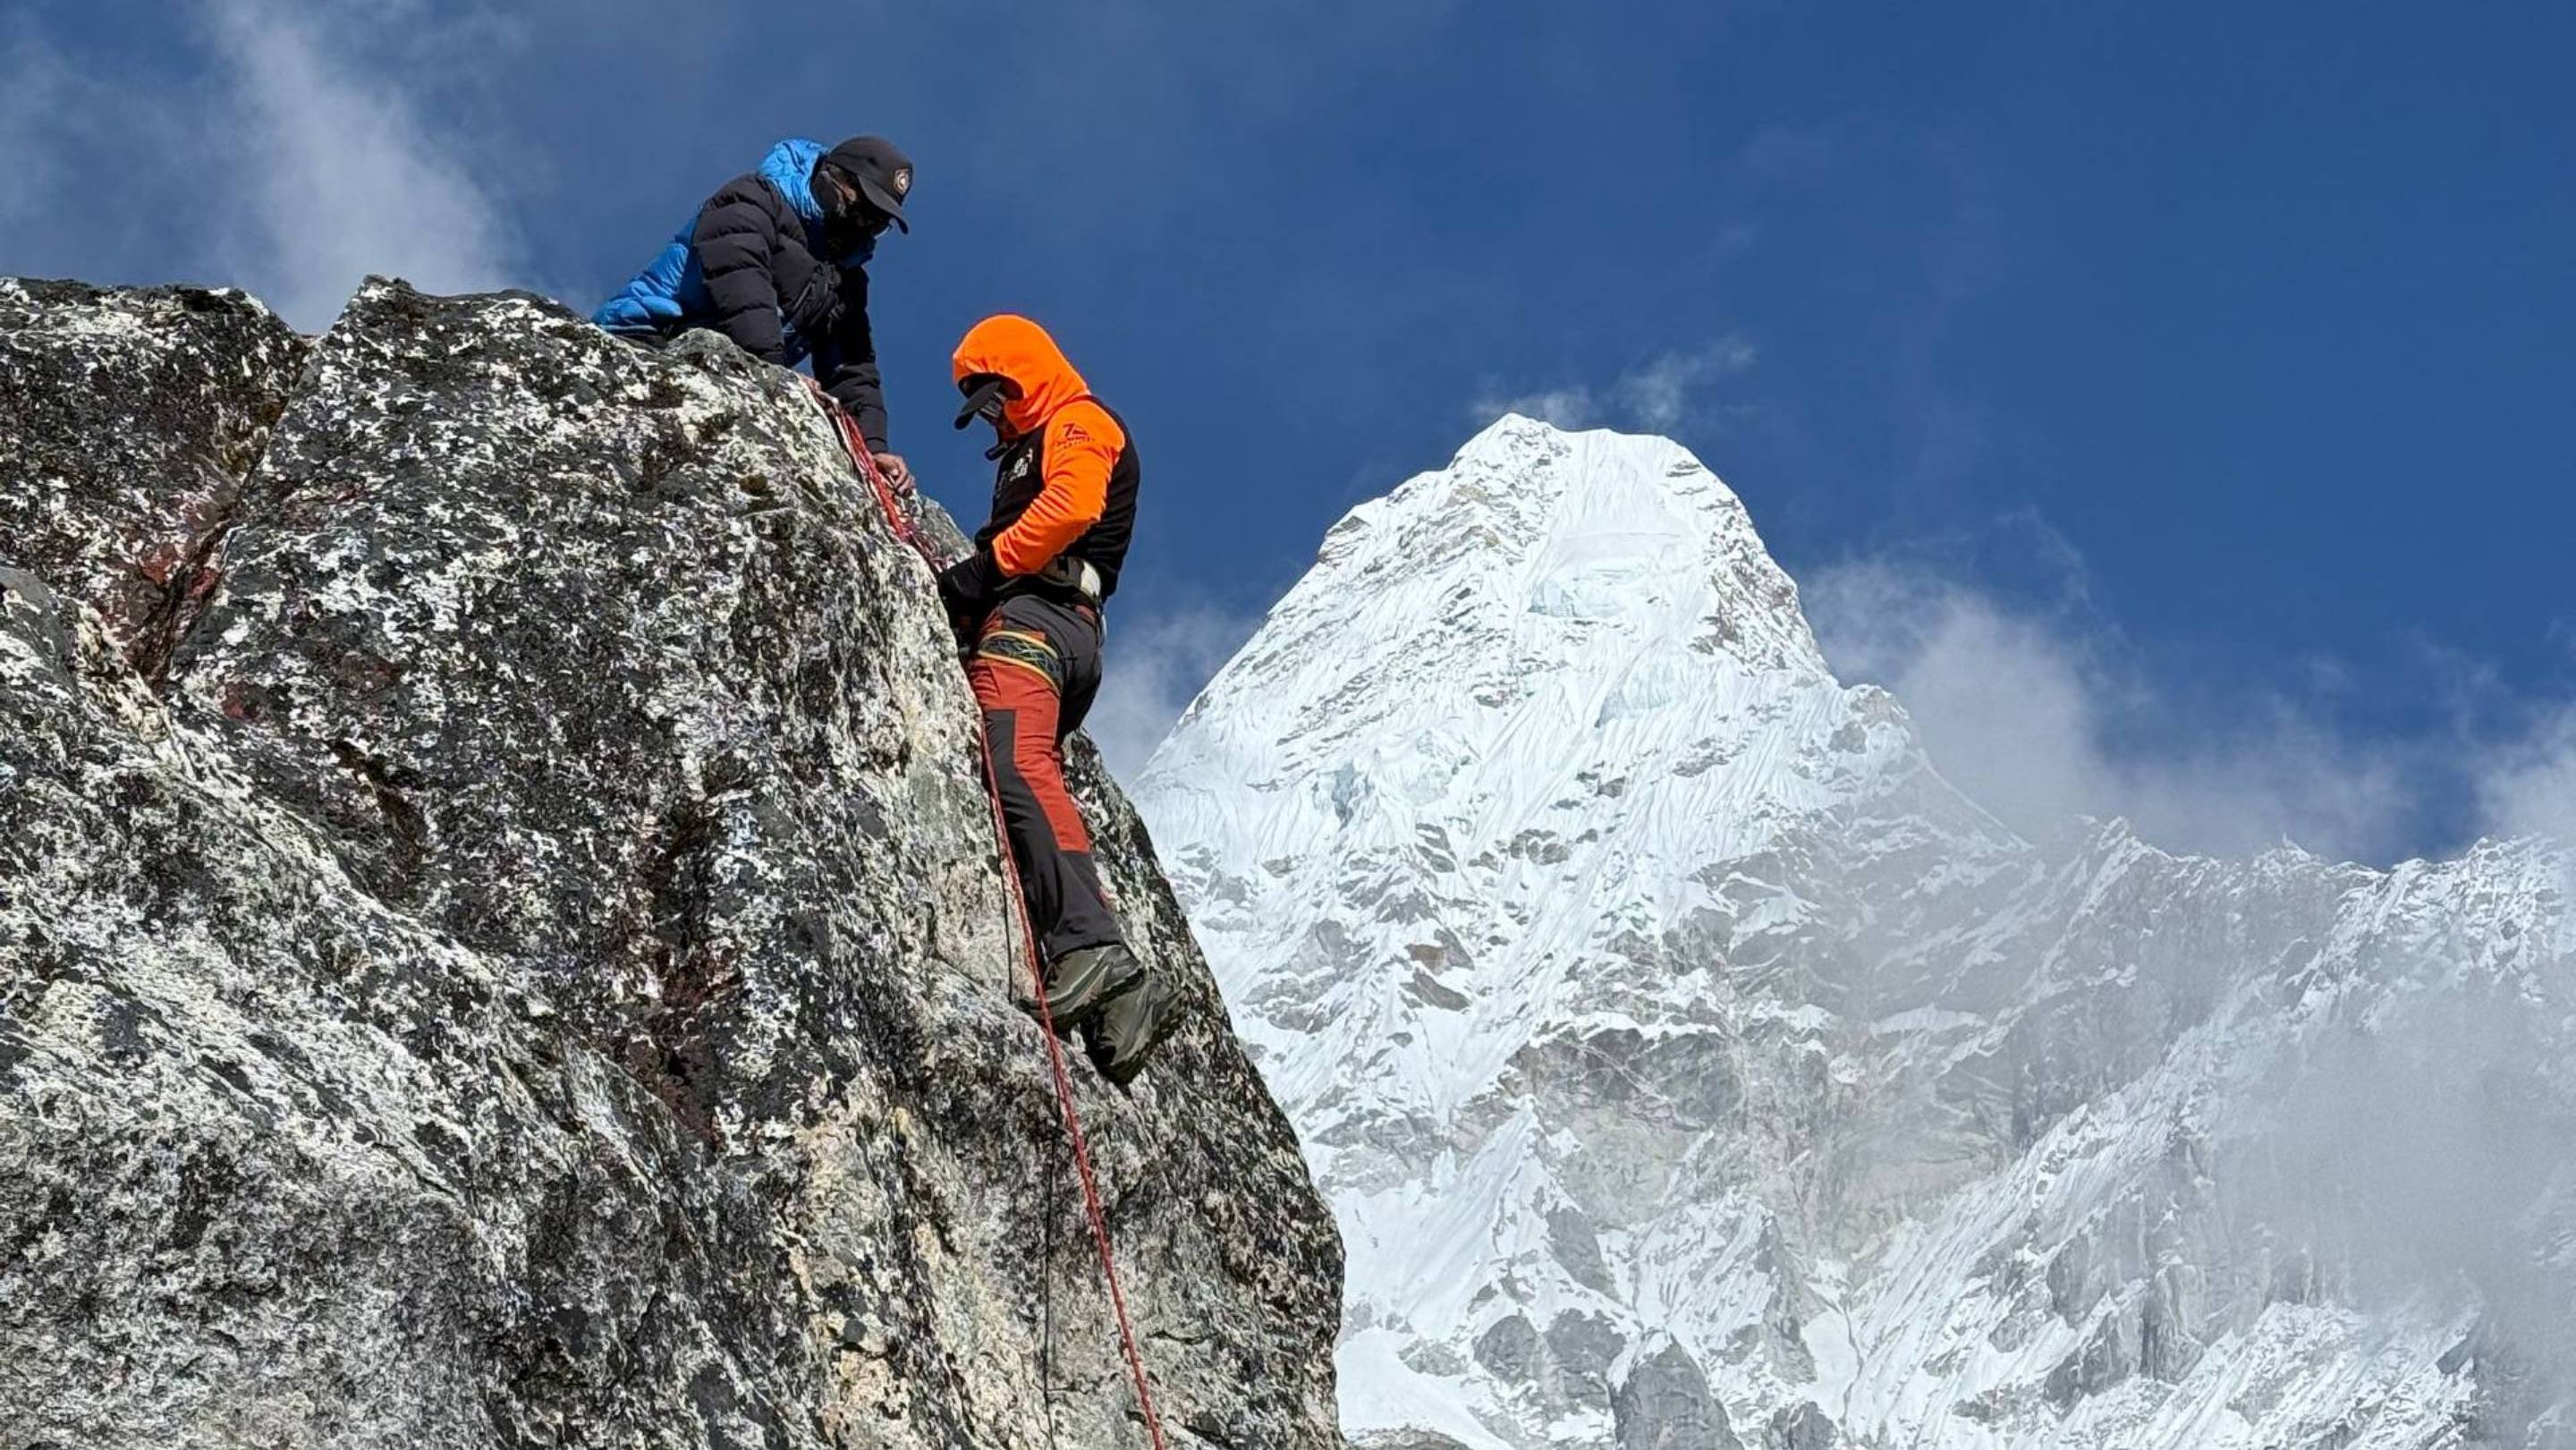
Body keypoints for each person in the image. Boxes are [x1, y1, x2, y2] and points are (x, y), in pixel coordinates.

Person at [939, 314, 1177, 1085]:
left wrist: (988, 568)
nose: (997, 418)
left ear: (1021, 377)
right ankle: (1123, 999)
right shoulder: (1033, 443)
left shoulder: (1078, 421)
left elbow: (1074, 507)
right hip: (1061, 623)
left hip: (1040, 619)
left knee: (1012, 761)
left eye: (998, 399)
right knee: (1033, 769)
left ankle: (1087, 945)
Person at [595, 136, 915, 488]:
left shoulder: (845, 280)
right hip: (641, 342)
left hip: (726, 371)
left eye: (877, 221)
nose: (865, 225)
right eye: (864, 207)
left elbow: (852, 367)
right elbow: (743, 281)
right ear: (835, 178)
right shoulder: (752, 199)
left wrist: (872, 449)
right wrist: (773, 371)